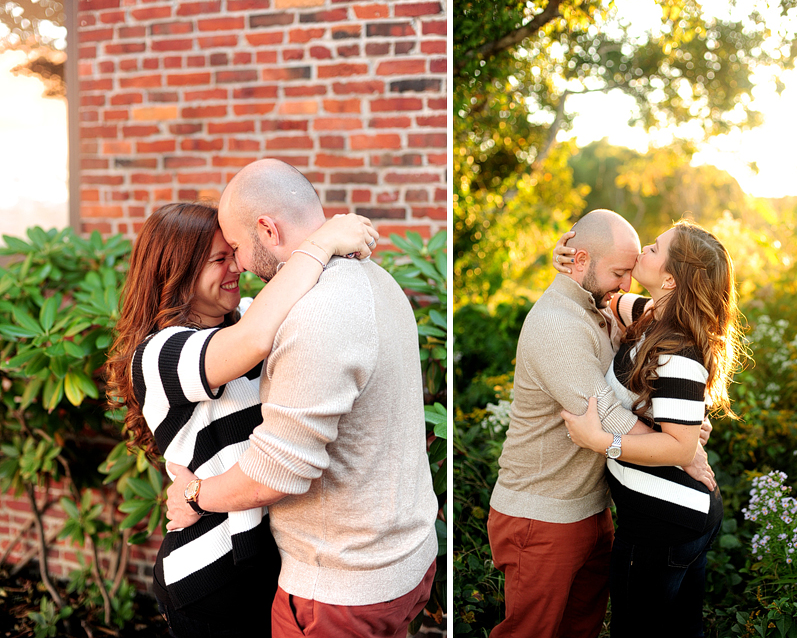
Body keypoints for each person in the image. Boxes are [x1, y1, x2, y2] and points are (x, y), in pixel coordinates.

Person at [164, 159, 439, 638]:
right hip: (403, 563)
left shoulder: (316, 314)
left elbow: (278, 472)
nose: (240, 267)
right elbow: (248, 330)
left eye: (236, 248)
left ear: (267, 229)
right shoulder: (377, 280)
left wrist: (193, 494)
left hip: (338, 590)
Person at [105, 202, 377, 637]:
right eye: (219, 258)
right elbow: (251, 342)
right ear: (177, 271)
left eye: (233, 251)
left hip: (268, 565)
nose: (237, 266)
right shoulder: (160, 354)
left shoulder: (248, 316)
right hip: (211, 577)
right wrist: (321, 241)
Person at [487, 209, 714, 638]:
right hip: (544, 514)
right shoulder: (557, 324)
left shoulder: (604, 307)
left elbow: (660, 309)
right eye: (618, 272)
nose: (624, 284)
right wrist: (684, 449)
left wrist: (681, 428)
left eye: (631, 271)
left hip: (593, 510)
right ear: (582, 260)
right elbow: (607, 416)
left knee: (582, 630)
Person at [556, 218, 743, 637]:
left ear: (672, 280)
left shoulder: (678, 351)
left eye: (655, 249)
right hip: (679, 519)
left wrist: (601, 442)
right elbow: (605, 297)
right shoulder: (650, 314)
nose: (644, 251)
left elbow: (679, 450)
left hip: (664, 528)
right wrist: (567, 261)